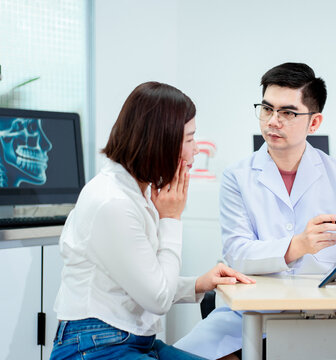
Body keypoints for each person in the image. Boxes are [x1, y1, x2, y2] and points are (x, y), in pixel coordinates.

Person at [175, 63, 336, 359]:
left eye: (287, 113)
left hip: (323, 315)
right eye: (267, 109)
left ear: (314, 123)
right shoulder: (237, 176)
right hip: (249, 314)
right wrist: (297, 246)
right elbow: (237, 253)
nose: (273, 121)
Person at [50, 81, 255, 360]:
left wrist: (198, 283)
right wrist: (171, 219)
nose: (195, 150)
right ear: (163, 141)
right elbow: (157, 299)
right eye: (190, 139)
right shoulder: (114, 202)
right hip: (94, 347)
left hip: (130, 341)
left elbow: (146, 282)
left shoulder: (137, 191)